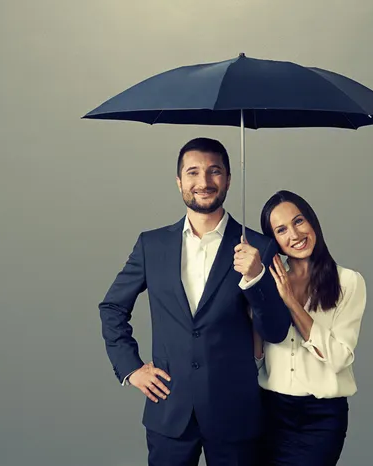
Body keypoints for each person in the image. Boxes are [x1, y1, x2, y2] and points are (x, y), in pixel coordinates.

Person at [98, 137, 290, 466]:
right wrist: (132, 369)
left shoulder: (259, 247)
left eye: (214, 171)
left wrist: (256, 277)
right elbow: (112, 308)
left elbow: (275, 330)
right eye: (193, 172)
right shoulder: (152, 245)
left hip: (236, 412)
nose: (203, 182)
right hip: (169, 412)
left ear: (228, 179)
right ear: (179, 182)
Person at [252, 190, 367, 466]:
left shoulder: (348, 282)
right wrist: (257, 297)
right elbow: (257, 355)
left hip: (321, 418)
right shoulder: (267, 282)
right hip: (270, 411)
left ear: (312, 222)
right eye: (281, 230)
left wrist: (291, 303)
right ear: (274, 241)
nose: (294, 234)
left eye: (299, 221)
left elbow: (338, 357)